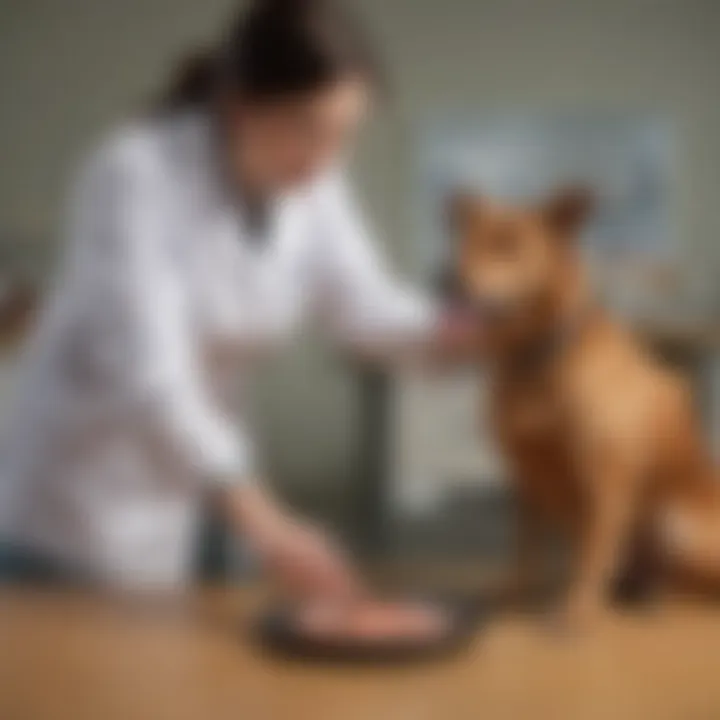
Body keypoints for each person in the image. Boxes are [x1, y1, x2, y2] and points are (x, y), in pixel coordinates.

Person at [0, 0, 476, 594]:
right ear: (240, 108)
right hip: (80, 501)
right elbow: (152, 380)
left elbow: (365, 304)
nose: (325, 157)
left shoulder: (313, 180)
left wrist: (472, 329)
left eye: (343, 135)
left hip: (204, 479)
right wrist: (272, 526)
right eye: (305, 128)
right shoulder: (135, 174)